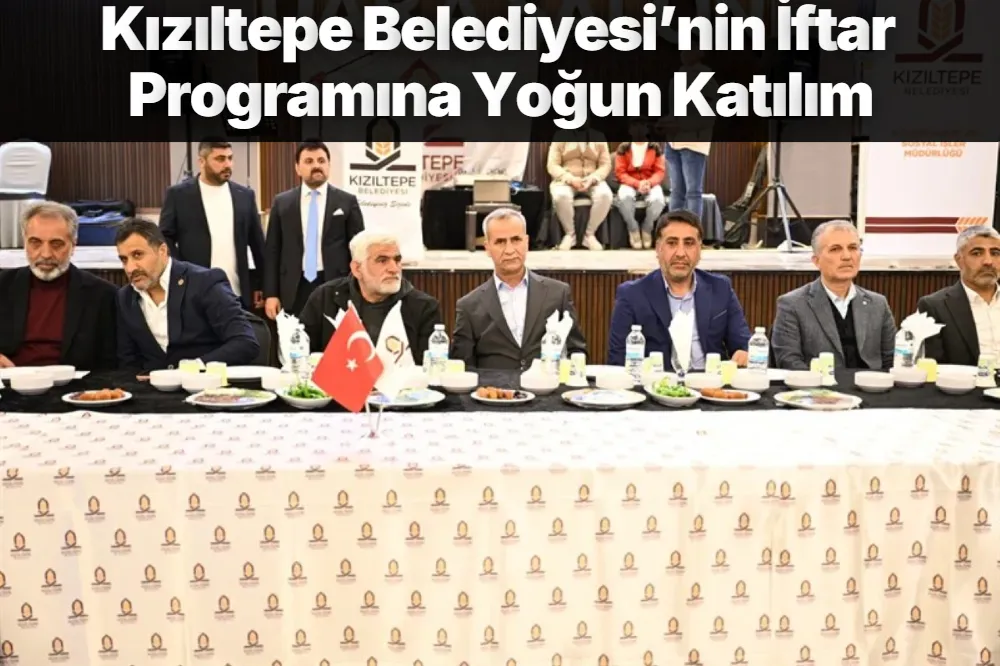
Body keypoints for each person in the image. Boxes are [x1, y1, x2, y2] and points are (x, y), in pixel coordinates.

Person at [608, 210, 750, 368]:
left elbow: (744, 344)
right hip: (658, 382)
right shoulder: (632, 295)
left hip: (710, 381)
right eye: (672, 243)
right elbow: (617, 361)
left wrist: (743, 353)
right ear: (658, 248)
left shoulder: (720, 288)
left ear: (699, 250)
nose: (680, 253)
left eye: (689, 243)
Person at [114, 218, 259, 371]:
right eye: (124, 260)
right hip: (151, 385)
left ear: (162, 251)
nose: (130, 268)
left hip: (204, 382)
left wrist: (192, 368)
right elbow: (127, 361)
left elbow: (245, 342)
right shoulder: (125, 298)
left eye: (137, 255)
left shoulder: (204, 282)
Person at [451, 208, 586, 370]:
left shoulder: (558, 293)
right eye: (500, 242)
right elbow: (461, 369)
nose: (509, 250)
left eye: (516, 240)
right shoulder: (469, 306)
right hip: (492, 386)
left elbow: (577, 353)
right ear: (487, 248)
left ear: (526, 242)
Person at [0, 201, 117, 370]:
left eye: (56, 244)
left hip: (74, 384)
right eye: (35, 243)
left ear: (73, 246)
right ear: (25, 243)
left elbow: (111, 363)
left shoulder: (103, 295)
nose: (46, 254)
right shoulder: (3, 286)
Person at [771, 220, 896, 370]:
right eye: (835, 249)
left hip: (871, 383)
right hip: (817, 384)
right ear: (816, 261)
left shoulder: (878, 304)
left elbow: (892, 360)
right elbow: (789, 362)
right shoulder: (793, 305)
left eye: (853, 248)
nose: (847, 256)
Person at [159, 140, 266, 312]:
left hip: (237, 294)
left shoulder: (244, 196)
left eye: (230, 158)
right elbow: (164, 237)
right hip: (194, 293)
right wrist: (181, 272)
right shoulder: (178, 195)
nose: (227, 164)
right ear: (201, 161)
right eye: (220, 159)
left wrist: (263, 285)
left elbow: (258, 244)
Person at [300, 230, 442, 359]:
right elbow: (301, 356)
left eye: (397, 260)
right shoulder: (325, 298)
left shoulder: (423, 307)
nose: (394, 269)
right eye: (382, 260)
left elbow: (429, 370)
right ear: (357, 269)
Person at [264, 141, 364, 318]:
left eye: (321, 160)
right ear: (297, 168)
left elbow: (359, 250)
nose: (316, 165)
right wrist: (271, 294)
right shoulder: (282, 203)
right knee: (296, 335)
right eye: (309, 161)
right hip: (294, 288)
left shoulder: (347, 201)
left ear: (329, 165)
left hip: (336, 285)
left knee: (332, 336)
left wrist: (359, 291)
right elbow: (272, 250)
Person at [918, 225, 1000, 365]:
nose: (988, 261)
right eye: (977, 253)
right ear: (959, 260)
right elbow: (934, 367)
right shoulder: (935, 306)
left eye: (995, 253)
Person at [658, 48, 716, 220]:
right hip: (673, 142)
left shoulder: (705, 77)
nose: (683, 54)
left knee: (693, 192)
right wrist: (665, 122)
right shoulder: (677, 76)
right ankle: (674, 228)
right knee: (676, 191)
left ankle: (693, 230)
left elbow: (711, 113)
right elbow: (675, 110)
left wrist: (682, 125)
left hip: (693, 142)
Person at [546, 130, 613, 251]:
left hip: (592, 180)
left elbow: (605, 165)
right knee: (561, 196)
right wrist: (569, 179)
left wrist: (593, 178)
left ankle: (589, 235)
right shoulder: (560, 136)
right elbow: (552, 165)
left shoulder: (599, 136)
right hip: (566, 180)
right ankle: (570, 234)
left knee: (605, 195)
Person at [613, 124, 667, 249]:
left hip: (650, 182)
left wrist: (649, 183)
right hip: (629, 183)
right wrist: (637, 184)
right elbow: (620, 172)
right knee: (624, 199)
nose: (638, 130)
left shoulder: (655, 147)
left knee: (658, 201)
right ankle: (633, 229)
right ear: (630, 130)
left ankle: (647, 228)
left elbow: (660, 171)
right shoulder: (623, 147)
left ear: (647, 129)